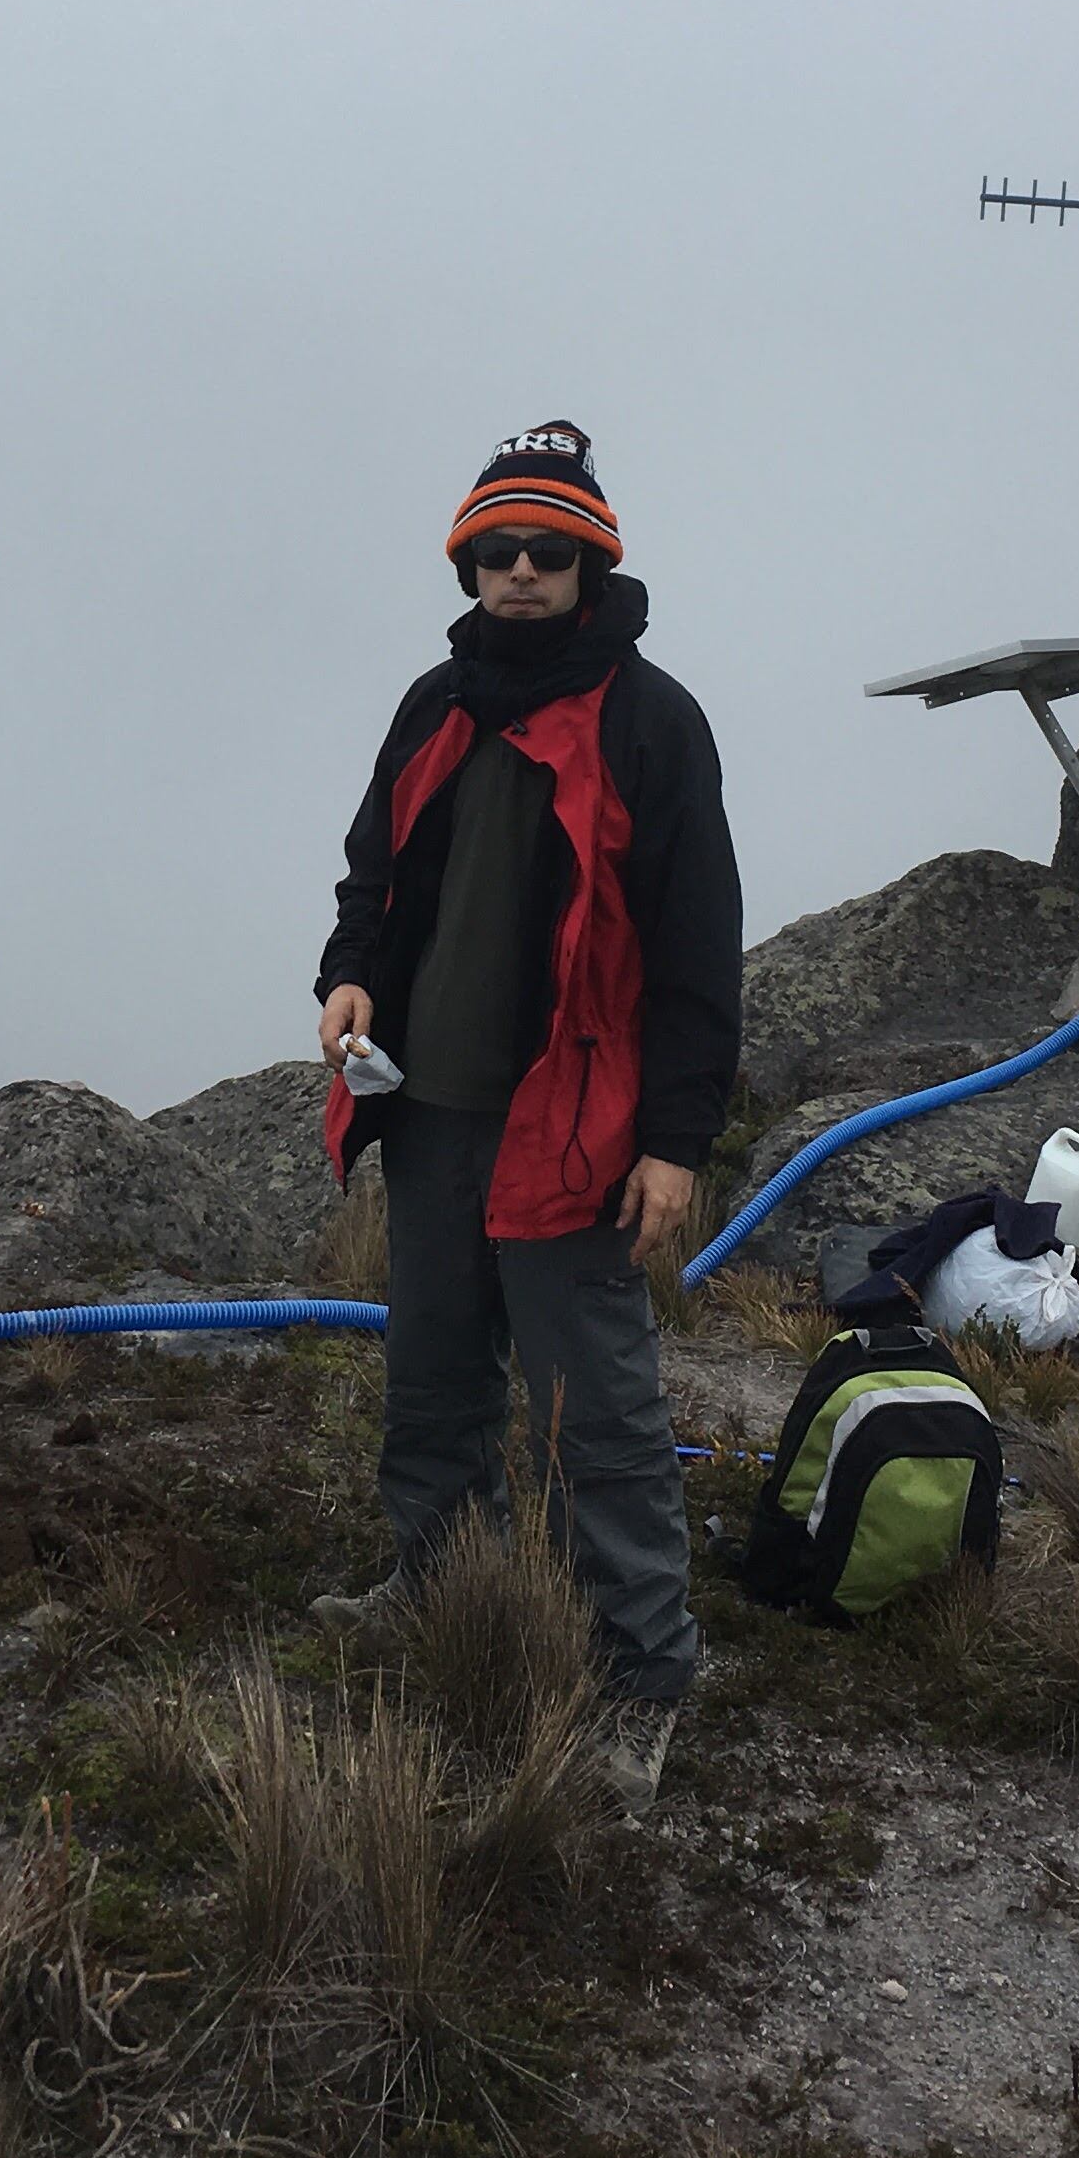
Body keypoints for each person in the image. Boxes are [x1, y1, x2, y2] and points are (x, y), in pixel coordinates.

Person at [309, 420, 742, 1818]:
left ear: (591, 561)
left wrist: (674, 1143)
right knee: (433, 1369)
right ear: (468, 562)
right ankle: (432, 1578)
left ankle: (641, 1679)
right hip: (428, 1108)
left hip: (578, 1121)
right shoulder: (436, 703)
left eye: (547, 552)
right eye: (494, 551)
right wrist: (350, 978)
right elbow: (371, 870)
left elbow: (696, 947)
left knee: (593, 1411)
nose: (518, 572)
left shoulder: (651, 720)